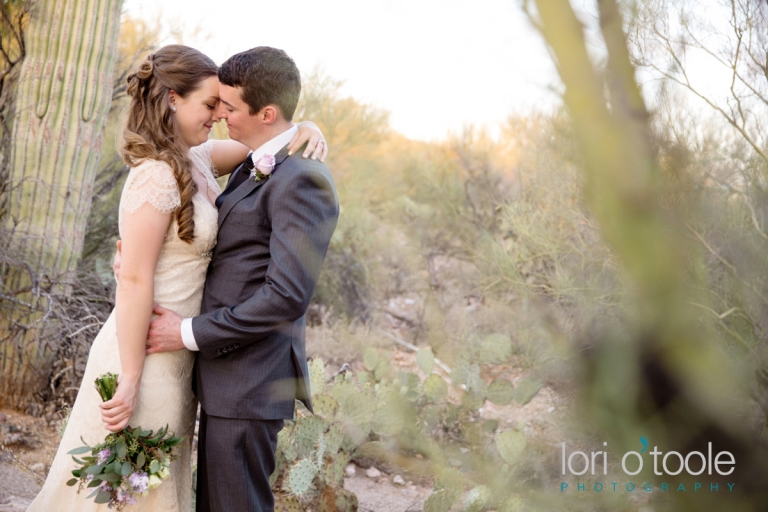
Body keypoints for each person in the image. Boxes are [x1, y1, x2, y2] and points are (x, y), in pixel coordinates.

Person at [26, 44, 328, 512]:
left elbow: (269, 143)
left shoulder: (201, 159)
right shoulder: (155, 175)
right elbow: (134, 282)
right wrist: (128, 377)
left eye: (225, 106)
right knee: (123, 492)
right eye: (211, 105)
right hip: (146, 353)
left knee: (157, 486)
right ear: (172, 99)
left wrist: (305, 126)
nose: (219, 116)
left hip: (185, 351)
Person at [143, 46, 339, 512]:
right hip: (227, 377)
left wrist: (186, 332)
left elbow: (285, 295)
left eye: (229, 107)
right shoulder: (256, 163)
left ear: (266, 112)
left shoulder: (301, 179)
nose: (221, 114)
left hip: (252, 381)